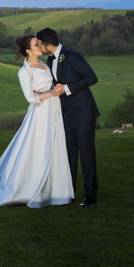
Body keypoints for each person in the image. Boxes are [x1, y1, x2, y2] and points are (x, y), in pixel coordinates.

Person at [0, 35, 74, 207]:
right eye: (36, 44)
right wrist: (51, 93)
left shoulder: (45, 64)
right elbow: (31, 98)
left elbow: (49, 85)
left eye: (39, 42)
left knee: (56, 145)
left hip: (54, 109)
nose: (40, 45)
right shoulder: (24, 72)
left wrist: (56, 88)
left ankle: (56, 190)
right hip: (41, 113)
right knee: (39, 147)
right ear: (29, 51)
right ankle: (25, 189)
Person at [35, 27, 100, 207]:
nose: (38, 46)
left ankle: (90, 196)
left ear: (47, 44)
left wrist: (67, 88)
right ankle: (68, 192)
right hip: (66, 113)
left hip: (84, 112)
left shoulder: (72, 55)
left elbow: (91, 78)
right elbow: (56, 83)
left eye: (39, 43)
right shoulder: (50, 59)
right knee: (68, 153)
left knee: (86, 154)